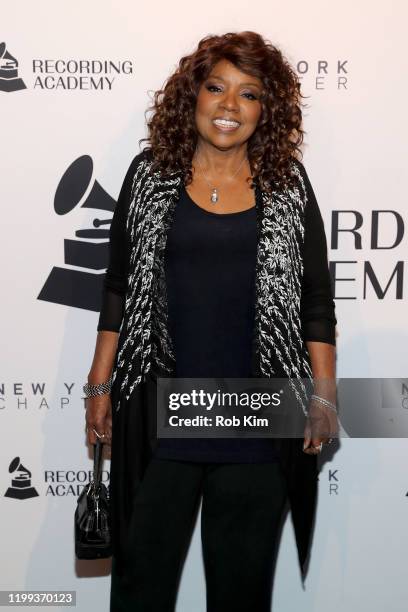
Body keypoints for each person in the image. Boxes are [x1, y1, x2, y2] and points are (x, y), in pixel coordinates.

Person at [84, 31, 339, 612]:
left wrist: (322, 395)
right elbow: (118, 287)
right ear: (192, 95)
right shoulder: (149, 176)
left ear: (264, 111)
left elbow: (316, 301)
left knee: (241, 596)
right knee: (139, 592)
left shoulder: (288, 187)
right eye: (216, 87)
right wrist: (100, 385)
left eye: (249, 95)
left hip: (258, 419)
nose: (229, 106)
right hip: (157, 415)